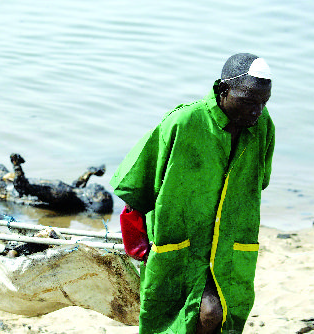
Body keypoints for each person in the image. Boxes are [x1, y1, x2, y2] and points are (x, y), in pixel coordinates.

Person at [110, 53, 274, 334]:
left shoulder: (262, 127)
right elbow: (137, 182)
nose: (256, 111)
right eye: (248, 101)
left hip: (227, 245)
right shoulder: (183, 123)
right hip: (181, 244)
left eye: (263, 102)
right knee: (185, 316)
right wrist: (137, 242)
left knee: (219, 316)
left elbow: (258, 182)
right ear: (223, 91)